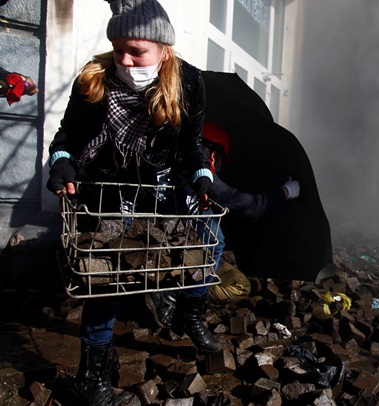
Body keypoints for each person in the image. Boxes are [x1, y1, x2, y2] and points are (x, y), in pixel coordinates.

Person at [46, 1, 213, 405]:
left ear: (164, 50)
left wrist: (204, 178)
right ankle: (93, 378)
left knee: (210, 246)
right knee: (105, 277)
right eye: (118, 47)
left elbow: (192, 146)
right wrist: (63, 165)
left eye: (136, 51)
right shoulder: (95, 78)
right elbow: (66, 137)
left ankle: (190, 313)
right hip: (106, 189)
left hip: (161, 187)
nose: (124, 59)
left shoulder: (188, 82)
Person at [145, 120, 300, 338]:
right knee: (240, 285)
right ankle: (181, 300)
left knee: (227, 268)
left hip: (169, 252)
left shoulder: (163, 164)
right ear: (212, 153)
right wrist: (286, 192)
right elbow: (251, 206)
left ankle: (175, 295)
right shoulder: (202, 177)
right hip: (189, 257)